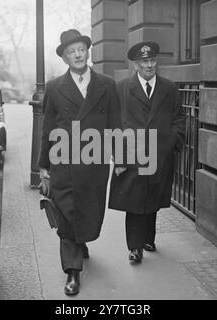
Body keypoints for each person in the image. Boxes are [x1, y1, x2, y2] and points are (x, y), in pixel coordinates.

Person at [38, 29, 121, 296]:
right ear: (64, 58)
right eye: (71, 52)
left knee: (89, 210)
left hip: (95, 163)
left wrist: (119, 157)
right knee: (66, 215)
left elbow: (115, 124)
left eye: (81, 50)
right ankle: (72, 272)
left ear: (88, 52)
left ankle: (81, 239)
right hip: (64, 162)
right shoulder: (54, 87)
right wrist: (43, 168)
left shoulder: (107, 85)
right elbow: (48, 129)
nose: (77, 55)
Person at [109, 41, 186, 264]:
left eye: (152, 60)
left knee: (152, 198)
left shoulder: (169, 88)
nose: (149, 65)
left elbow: (179, 118)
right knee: (134, 202)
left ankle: (148, 239)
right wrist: (119, 155)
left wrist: (172, 142)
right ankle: (135, 247)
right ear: (135, 65)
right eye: (144, 62)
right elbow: (113, 123)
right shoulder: (121, 88)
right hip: (132, 154)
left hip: (160, 154)